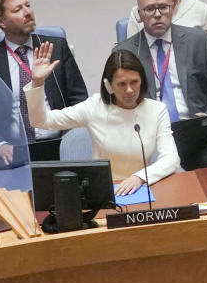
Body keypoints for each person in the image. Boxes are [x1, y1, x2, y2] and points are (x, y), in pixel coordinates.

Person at [25, 47, 179, 195]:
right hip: (103, 190)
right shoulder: (94, 107)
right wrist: (37, 83)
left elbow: (171, 158)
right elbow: (42, 121)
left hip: (141, 186)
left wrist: (139, 177)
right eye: (121, 84)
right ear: (108, 85)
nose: (130, 90)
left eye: (134, 82)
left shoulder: (157, 110)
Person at [116, 0, 207, 166]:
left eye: (163, 7)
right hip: (151, 137)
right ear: (139, 14)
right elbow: (118, 104)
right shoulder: (126, 52)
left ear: (172, 8)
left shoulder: (199, 41)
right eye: (150, 9)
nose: (157, 14)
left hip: (196, 132)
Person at [0, 0, 89, 167]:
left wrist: (71, 135)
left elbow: (79, 98)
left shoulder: (56, 48)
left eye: (27, 5)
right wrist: (0, 146)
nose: (27, 12)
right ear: (1, 21)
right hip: (14, 151)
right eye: (17, 9)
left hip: (58, 145)